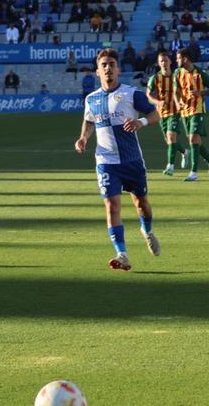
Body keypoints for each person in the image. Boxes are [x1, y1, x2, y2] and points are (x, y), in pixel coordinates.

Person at [74, 48, 161, 272]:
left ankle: (147, 230)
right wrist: (83, 138)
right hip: (105, 161)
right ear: (97, 71)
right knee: (111, 206)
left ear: (118, 69)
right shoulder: (91, 99)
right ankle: (122, 254)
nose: (108, 68)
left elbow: (155, 115)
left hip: (131, 161)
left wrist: (140, 122)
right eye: (104, 65)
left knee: (141, 204)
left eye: (112, 64)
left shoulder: (131, 94)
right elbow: (89, 121)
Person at [173, 47, 209, 181]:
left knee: (193, 139)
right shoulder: (177, 72)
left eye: (178, 58)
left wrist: (201, 93)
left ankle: (193, 173)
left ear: (185, 59)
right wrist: (177, 103)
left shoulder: (200, 73)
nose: (176, 60)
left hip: (197, 109)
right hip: (184, 111)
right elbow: (175, 92)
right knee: (196, 142)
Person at [147, 50, 189, 177]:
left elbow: (185, 89)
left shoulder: (178, 75)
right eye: (161, 61)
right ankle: (185, 152)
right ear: (158, 63)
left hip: (175, 112)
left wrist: (182, 101)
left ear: (170, 61)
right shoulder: (155, 78)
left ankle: (170, 166)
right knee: (170, 141)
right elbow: (148, 95)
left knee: (171, 137)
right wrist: (158, 102)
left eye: (166, 60)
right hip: (161, 114)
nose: (164, 63)